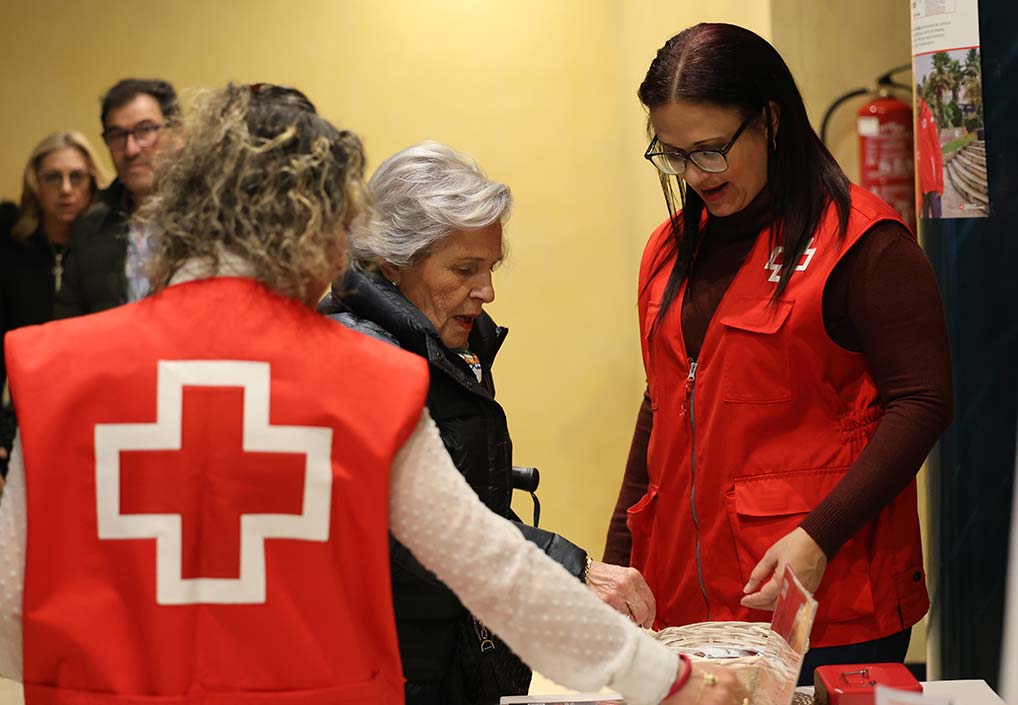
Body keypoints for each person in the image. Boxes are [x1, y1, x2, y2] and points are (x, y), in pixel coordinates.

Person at [0, 83, 746, 705]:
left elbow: (10, 610)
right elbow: (497, 572)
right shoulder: (363, 380)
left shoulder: (55, 371)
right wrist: (675, 681)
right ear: (319, 230)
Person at [603, 23, 953, 683]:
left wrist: (821, 534)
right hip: (690, 606)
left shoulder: (864, 245)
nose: (692, 175)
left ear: (768, 119)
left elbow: (924, 400)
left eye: (710, 150)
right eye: (672, 154)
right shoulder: (666, 250)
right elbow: (661, 401)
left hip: (829, 604)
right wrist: (619, 554)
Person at [318, 141, 657, 705]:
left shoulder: (448, 340)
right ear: (394, 259)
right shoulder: (359, 355)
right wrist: (567, 570)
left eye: (490, 267)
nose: (487, 291)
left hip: (456, 657)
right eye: (465, 269)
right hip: (395, 671)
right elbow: (407, 527)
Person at [0, 132, 107, 475]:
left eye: (76, 176)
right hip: (23, 409)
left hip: (94, 411)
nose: (65, 189)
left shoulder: (112, 250)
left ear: (92, 183)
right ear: (36, 184)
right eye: (52, 177)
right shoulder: (11, 248)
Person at [53, 78, 180, 317]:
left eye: (145, 130)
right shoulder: (91, 228)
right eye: (117, 136)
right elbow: (68, 322)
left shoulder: (209, 218)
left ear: (177, 132)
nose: (131, 149)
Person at [915, 88, 944, 219]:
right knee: (925, 225)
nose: (915, 104)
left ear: (922, 100)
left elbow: (937, 150)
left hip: (932, 185)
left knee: (937, 220)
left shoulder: (929, 117)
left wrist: (939, 184)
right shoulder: (915, 120)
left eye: (917, 100)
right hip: (921, 187)